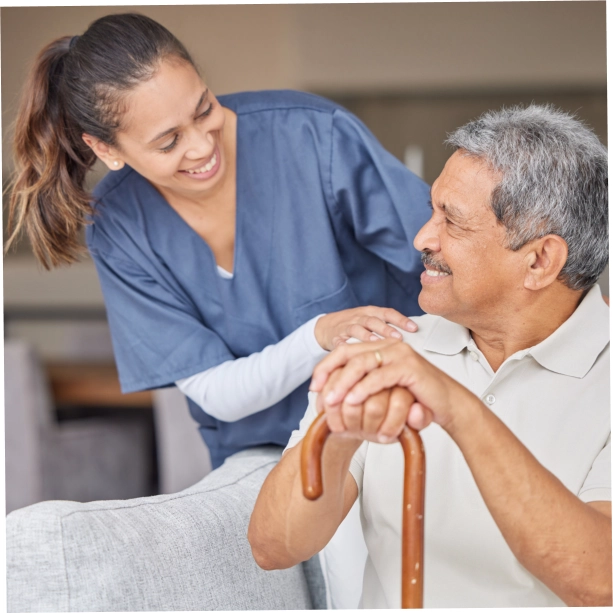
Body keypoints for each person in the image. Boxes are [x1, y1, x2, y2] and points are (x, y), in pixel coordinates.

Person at [5, 13, 431, 470]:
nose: (203, 147)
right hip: (264, 457)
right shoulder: (120, 226)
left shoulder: (313, 136)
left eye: (204, 108)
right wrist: (319, 334)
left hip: (400, 424)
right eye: (168, 142)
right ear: (107, 150)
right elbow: (218, 395)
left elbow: (454, 269)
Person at [248, 104, 611, 607]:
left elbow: (599, 580)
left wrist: (458, 408)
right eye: (431, 210)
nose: (422, 238)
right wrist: (338, 436)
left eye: (453, 222)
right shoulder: (388, 348)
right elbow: (273, 547)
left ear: (540, 260)